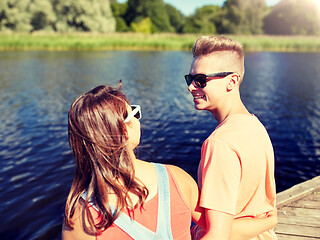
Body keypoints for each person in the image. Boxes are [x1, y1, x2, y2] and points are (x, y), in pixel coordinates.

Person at [62, 84, 277, 240]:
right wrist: (267, 221)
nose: (137, 118)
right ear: (125, 130)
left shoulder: (80, 213)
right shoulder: (176, 179)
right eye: (132, 113)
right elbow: (220, 231)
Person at [185, 35, 278, 240]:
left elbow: (218, 236)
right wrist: (270, 221)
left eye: (200, 80)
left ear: (232, 81)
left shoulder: (220, 143)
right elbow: (268, 212)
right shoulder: (256, 126)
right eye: (189, 79)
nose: (191, 87)